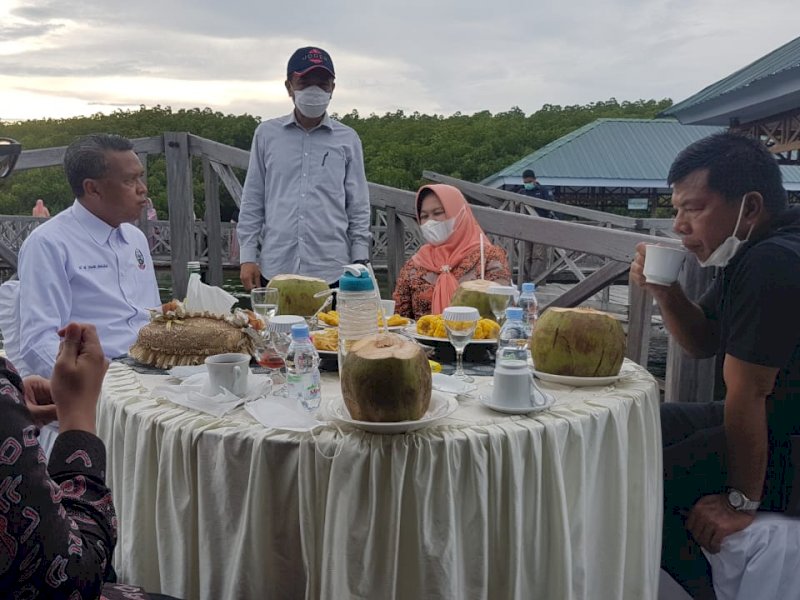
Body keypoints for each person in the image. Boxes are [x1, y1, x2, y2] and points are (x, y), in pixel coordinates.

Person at [629, 131, 800, 599]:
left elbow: (749, 393)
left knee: (639, 478)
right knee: (641, 425)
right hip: (782, 420)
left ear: (750, 206)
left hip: (789, 435)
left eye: (695, 208)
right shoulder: (754, 248)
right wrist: (666, 290)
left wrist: (741, 501)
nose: (679, 224)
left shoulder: (772, 262)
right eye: (676, 208)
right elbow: (702, 340)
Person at [17, 133, 161, 379]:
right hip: (100, 380)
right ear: (92, 189)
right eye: (130, 180)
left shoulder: (135, 238)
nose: (143, 189)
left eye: (141, 177)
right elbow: (38, 342)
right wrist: (102, 386)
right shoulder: (49, 243)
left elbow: (153, 317)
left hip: (156, 370)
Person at [237, 46, 371, 290]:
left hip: (333, 270)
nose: (315, 89)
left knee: (331, 330)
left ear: (333, 88)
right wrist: (247, 256)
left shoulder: (348, 139)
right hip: (276, 268)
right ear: (289, 87)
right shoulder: (266, 134)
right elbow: (253, 199)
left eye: (323, 83)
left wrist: (360, 259)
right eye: (305, 81)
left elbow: (358, 205)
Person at [393, 184, 511, 319]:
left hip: (475, 337)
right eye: (424, 216)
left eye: (438, 213)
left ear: (459, 213)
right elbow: (400, 317)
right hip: (421, 338)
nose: (430, 221)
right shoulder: (415, 264)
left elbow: (503, 309)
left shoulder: (489, 257)